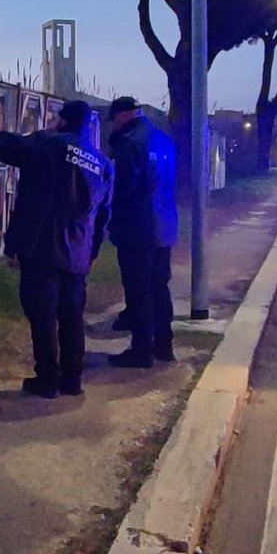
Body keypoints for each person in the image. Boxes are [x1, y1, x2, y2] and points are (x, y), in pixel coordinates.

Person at [0, 100, 112, 399]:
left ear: (62, 121)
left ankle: (46, 380)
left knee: (42, 315)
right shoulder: (102, 163)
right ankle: (72, 380)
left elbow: (2, 145)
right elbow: (104, 214)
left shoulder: (48, 145)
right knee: (71, 316)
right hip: (78, 253)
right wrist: (93, 252)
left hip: (42, 247)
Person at [104, 97, 180, 368]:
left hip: (138, 228)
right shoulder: (163, 139)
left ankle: (141, 351)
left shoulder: (130, 144)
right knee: (159, 287)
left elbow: (123, 189)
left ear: (123, 116)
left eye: (114, 120)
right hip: (164, 225)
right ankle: (164, 345)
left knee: (139, 291)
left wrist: (110, 219)